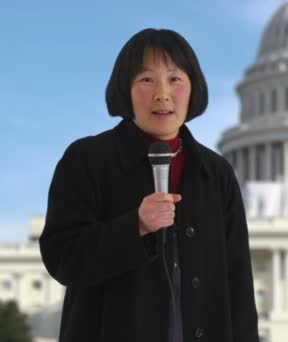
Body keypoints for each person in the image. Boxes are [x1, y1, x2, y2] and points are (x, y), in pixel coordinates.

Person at [39, 28, 259, 342]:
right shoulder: (87, 160)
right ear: (125, 89)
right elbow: (62, 260)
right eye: (146, 80)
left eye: (175, 79)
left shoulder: (216, 173)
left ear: (193, 87)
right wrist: (135, 226)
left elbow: (238, 283)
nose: (162, 94)